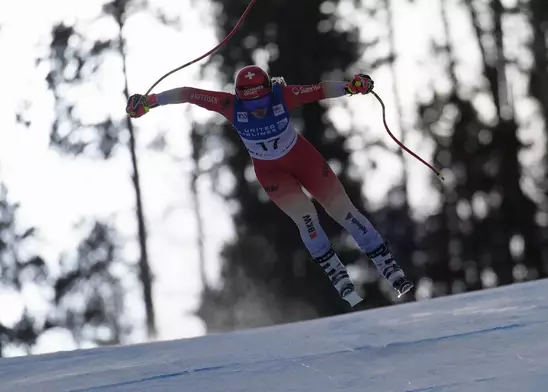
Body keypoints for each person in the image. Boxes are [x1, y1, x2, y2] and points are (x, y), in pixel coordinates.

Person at [126, 65, 413, 307]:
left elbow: (319, 90)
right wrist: (149, 102)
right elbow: (188, 94)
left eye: (262, 103)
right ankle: (336, 273)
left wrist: (352, 87)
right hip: (272, 173)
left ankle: (389, 267)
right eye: (251, 106)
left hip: (303, 159)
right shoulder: (228, 105)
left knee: (344, 211)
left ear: (269, 93)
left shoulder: (281, 95)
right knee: (306, 219)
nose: (258, 110)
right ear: (240, 98)